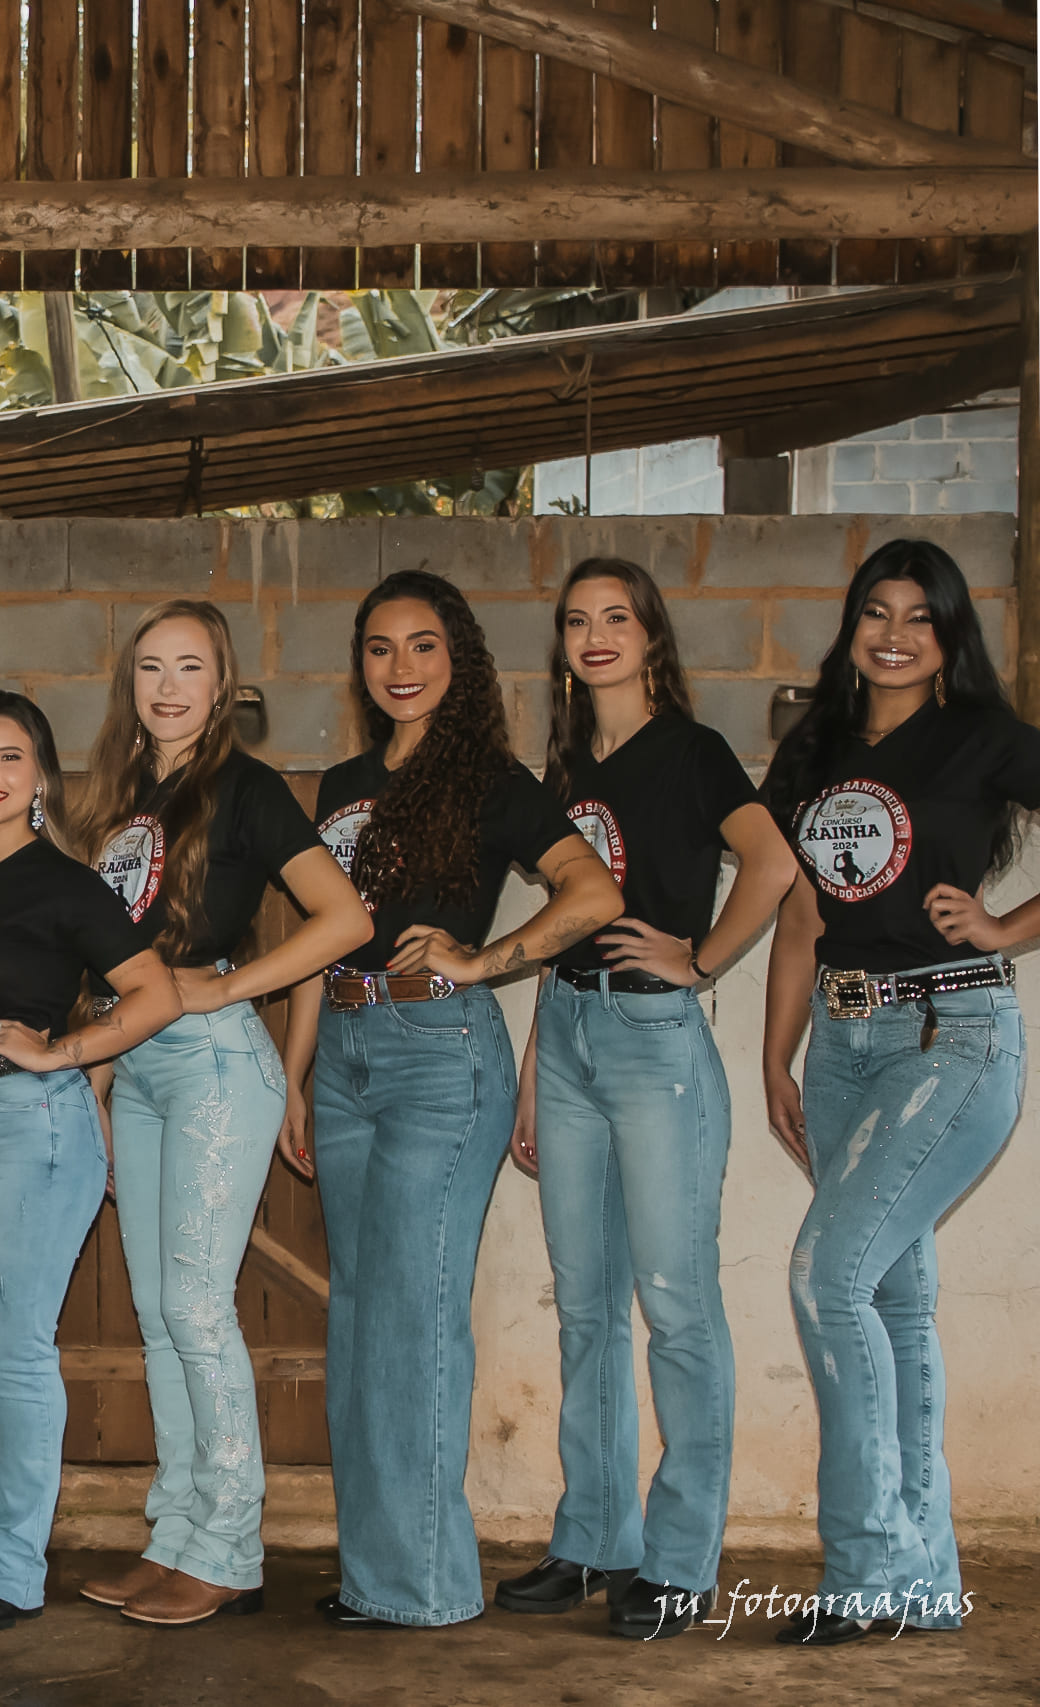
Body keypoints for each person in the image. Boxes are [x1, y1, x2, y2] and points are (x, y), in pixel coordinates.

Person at [281, 569, 621, 1630]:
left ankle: (421, 1583)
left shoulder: (488, 776)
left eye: (422, 646)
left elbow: (593, 892)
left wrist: (488, 958)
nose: (399, 667)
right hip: (340, 1048)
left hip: (438, 1051)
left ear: (457, 658)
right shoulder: (338, 782)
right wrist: (294, 1074)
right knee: (357, 1315)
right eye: (379, 647)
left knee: (415, 1320)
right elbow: (314, 938)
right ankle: (375, 1569)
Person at [494, 559, 794, 1637]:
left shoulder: (695, 753)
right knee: (584, 1307)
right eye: (576, 620)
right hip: (568, 1035)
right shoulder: (566, 766)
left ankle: (679, 1558)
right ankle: (591, 1540)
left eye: (615, 618)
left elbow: (773, 865)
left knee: (673, 1307)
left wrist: (703, 962)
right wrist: (535, 1071)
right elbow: (561, 930)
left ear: (650, 635)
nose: (594, 635)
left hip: (655, 1044)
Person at [68, 601, 371, 1628]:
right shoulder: (116, 795)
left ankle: (231, 1545)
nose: (166, 687)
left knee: (198, 1310)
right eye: (149, 667)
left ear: (222, 682)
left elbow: (344, 920)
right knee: (160, 1317)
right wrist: (98, 1086)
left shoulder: (245, 789)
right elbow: (96, 962)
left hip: (207, 1065)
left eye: (188, 668)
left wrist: (222, 989)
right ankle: (175, 1535)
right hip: (132, 1060)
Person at [759, 539, 1039, 1645]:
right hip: (841, 1039)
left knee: (823, 1280)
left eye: (921, 618)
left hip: (951, 1029)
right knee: (889, 1303)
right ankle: (921, 1578)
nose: (893, 633)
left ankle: (865, 1571)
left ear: (950, 637)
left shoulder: (980, 737)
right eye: (876, 611)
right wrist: (777, 1054)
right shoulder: (815, 746)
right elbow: (793, 913)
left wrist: (1009, 928)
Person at [0, 691, 181, 1632]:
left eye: (9, 758)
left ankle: (11, 1568)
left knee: (13, 1353)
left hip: (31, 1126)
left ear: (42, 777)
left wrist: (64, 1050)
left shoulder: (66, 884)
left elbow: (155, 992)